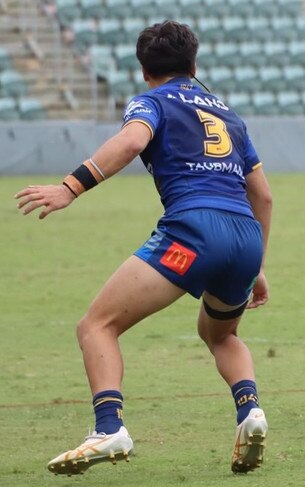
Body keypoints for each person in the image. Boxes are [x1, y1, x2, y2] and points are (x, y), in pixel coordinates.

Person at [15, 21, 272, 474]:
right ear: (193, 65)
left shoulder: (150, 101)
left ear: (143, 70)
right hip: (246, 237)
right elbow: (264, 196)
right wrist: (257, 266)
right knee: (222, 334)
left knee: (97, 325)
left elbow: (133, 140)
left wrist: (69, 188)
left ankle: (108, 427)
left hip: (193, 235)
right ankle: (250, 412)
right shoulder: (229, 114)